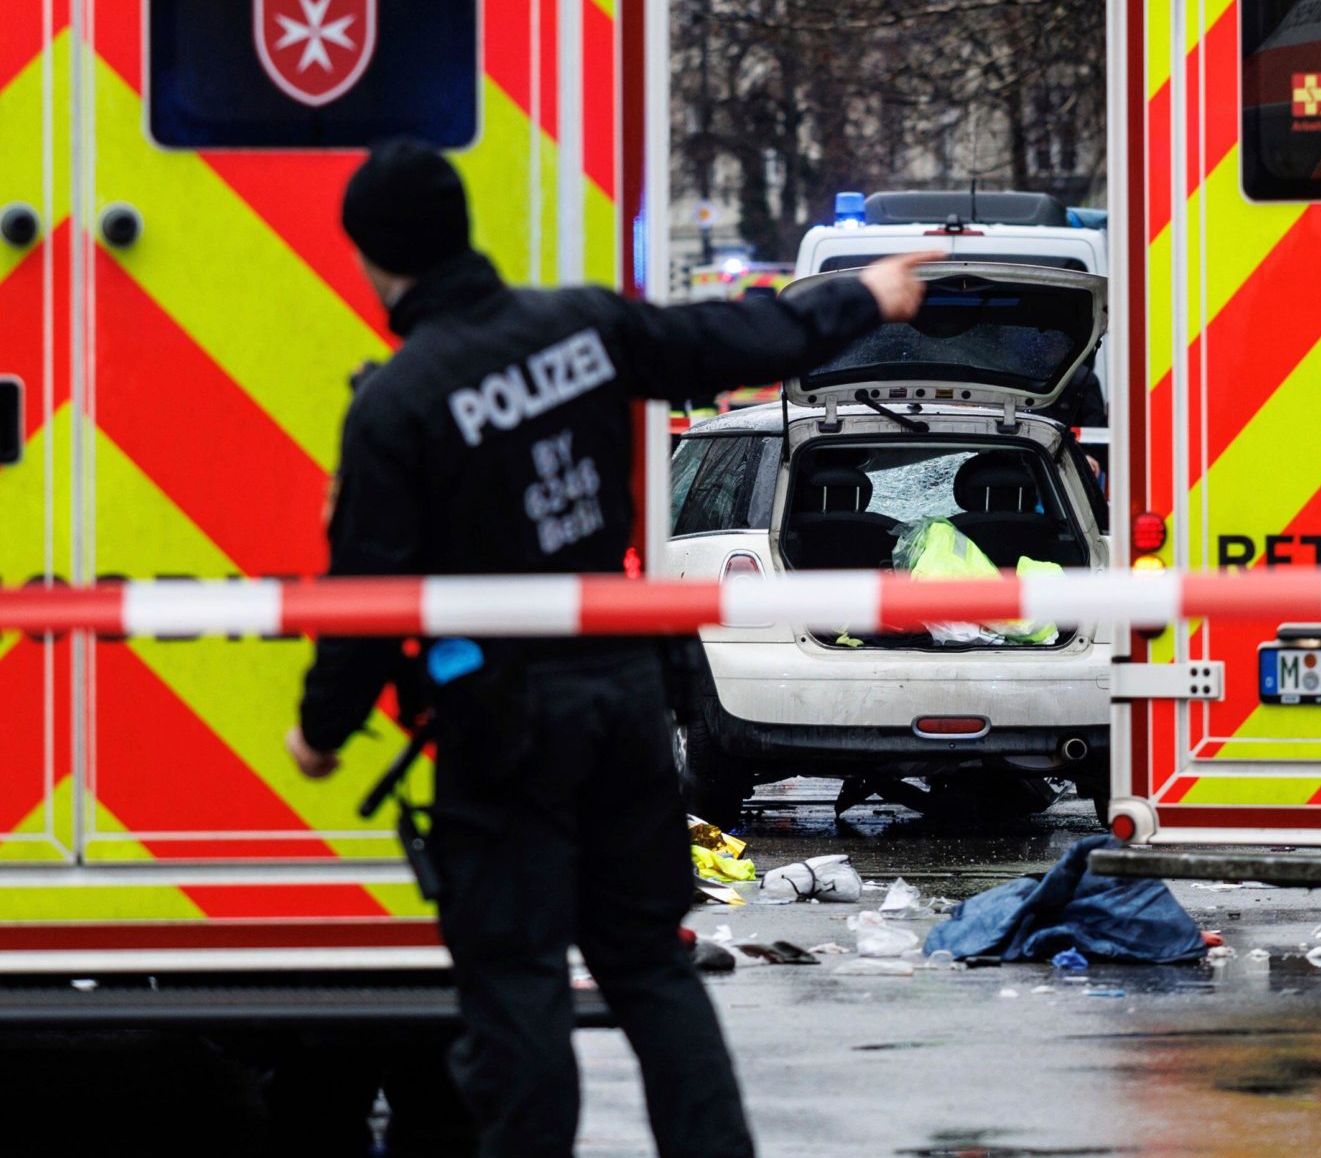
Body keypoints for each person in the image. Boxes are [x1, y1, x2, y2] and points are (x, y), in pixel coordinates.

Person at [287, 138, 935, 1157]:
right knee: (648, 966)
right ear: (462, 229)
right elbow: (734, 335)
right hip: (626, 695)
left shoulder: (398, 402)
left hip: (503, 727)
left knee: (517, 981)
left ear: (373, 258)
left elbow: (367, 591)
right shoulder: (581, 325)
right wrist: (865, 297)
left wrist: (320, 731)